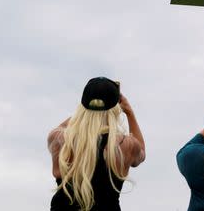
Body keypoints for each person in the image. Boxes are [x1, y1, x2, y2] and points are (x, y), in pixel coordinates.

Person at [47, 77, 146, 211]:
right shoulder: (124, 145)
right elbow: (141, 153)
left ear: (83, 106)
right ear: (115, 108)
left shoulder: (59, 139)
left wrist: (83, 114)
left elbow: (61, 128)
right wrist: (129, 111)